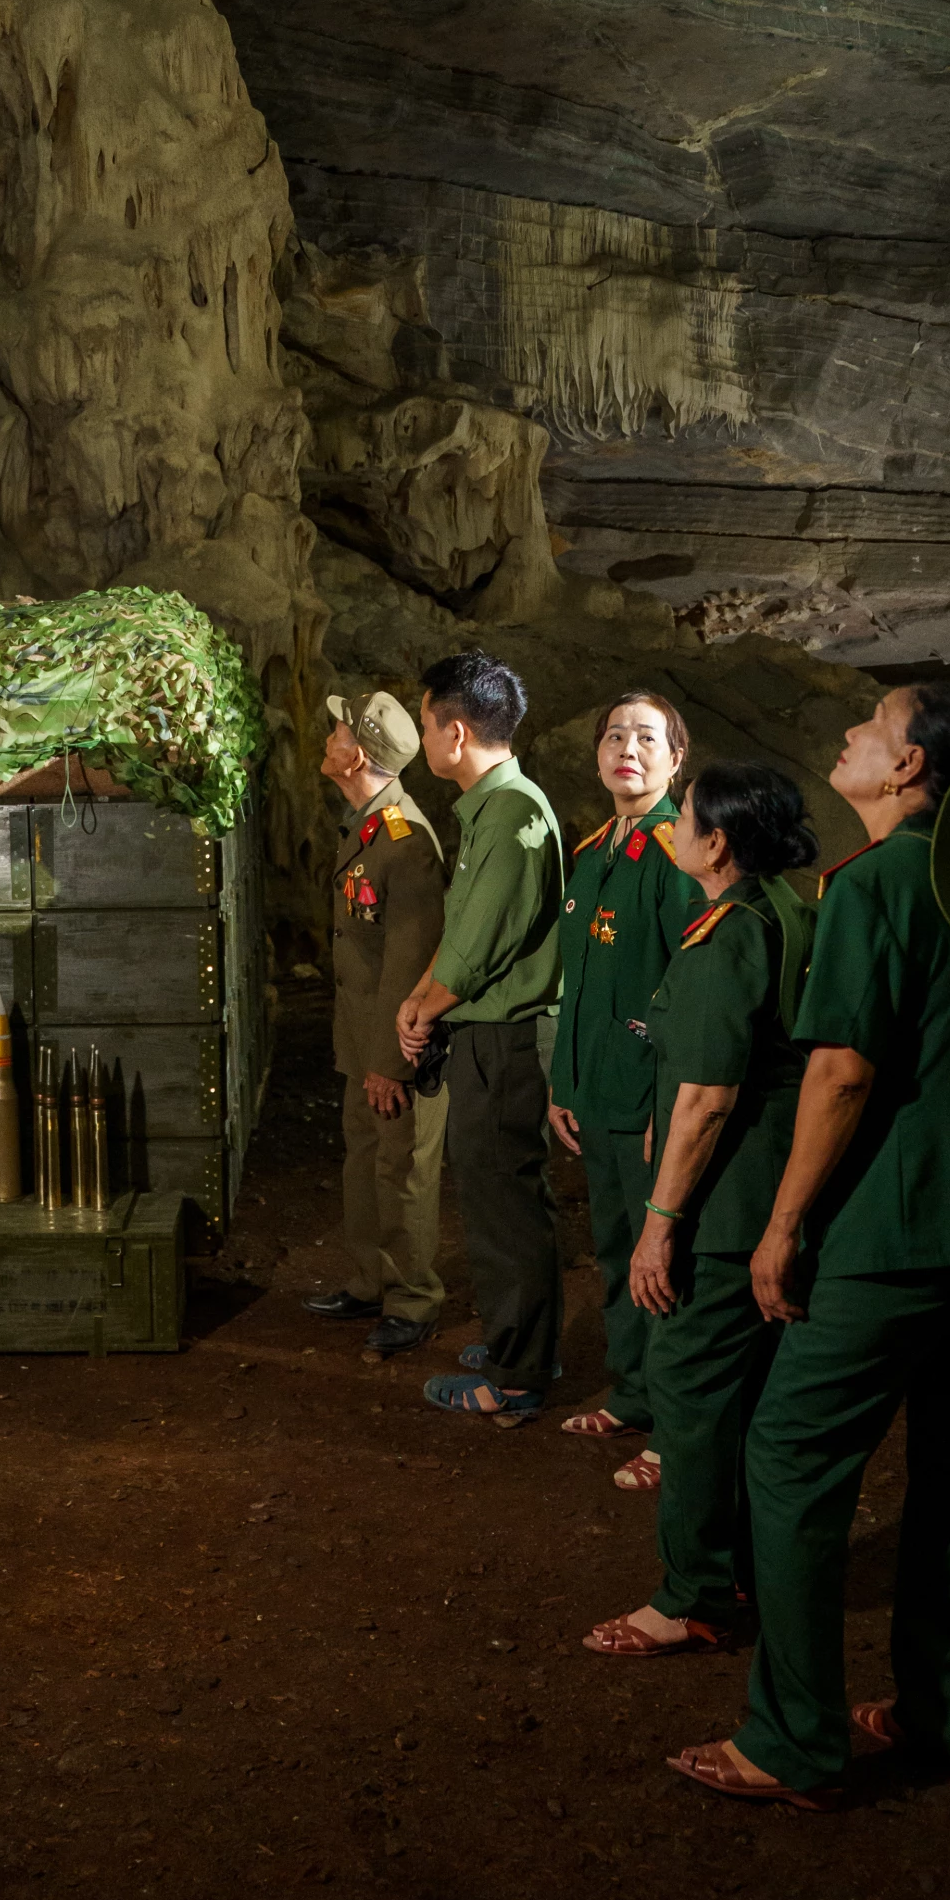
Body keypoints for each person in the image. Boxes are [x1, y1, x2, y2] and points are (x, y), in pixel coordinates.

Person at [669, 686, 950, 1811]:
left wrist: (783, 1224)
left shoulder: (880, 881)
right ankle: (945, 1714)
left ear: (907, 770)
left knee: (789, 1458)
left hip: (896, 1230)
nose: (848, 733)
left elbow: (842, 1073)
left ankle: (794, 1738)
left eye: (872, 727)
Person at [581, 762, 814, 1658]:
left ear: (716, 845)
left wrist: (658, 1224)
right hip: (768, 1194)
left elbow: (707, 1099)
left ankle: (693, 1595)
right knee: (747, 1400)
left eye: (684, 818)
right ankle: (744, 1569)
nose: (673, 828)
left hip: (722, 1210)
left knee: (690, 1395)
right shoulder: (782, 908)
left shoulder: (725, 940)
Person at [395, 651, 565, 1426]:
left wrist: (424, 1009)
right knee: (503, 1199)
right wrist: (421, 997)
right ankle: (520, 1342)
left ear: (456, 732)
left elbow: (478, 951)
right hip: (490, 1034)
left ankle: (517, 1374)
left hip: (504, 1040)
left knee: (503, 1206)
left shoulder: (508, 815)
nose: (425, 739)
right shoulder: (495, 808)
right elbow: (464, 931)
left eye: (427, 724)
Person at [549, 693, 699, 1474]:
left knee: (661, 1265)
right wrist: (563, 1083)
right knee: (614, 1252)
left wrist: (667, 1109)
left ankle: (676, 1431)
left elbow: (688, 994)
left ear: (677, 758)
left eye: (646, 737)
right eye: (614, 736)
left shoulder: (678, 856)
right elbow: (579, 987)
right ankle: (633, 1392)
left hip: (647, 1106)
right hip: (596, 1097)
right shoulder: (591, 853)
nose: (627, 750)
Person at [301, 693, 447, 1355]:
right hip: (362, 1035)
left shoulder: (404, 841)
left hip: (395, 1045)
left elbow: (410, 964)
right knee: (364, 1158)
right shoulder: (366, 825)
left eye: (337, 731)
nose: (327, 740)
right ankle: (371, 1280)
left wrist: (389, 1063)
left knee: (401, 1169)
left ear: (356, 755)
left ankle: (413, 1300)